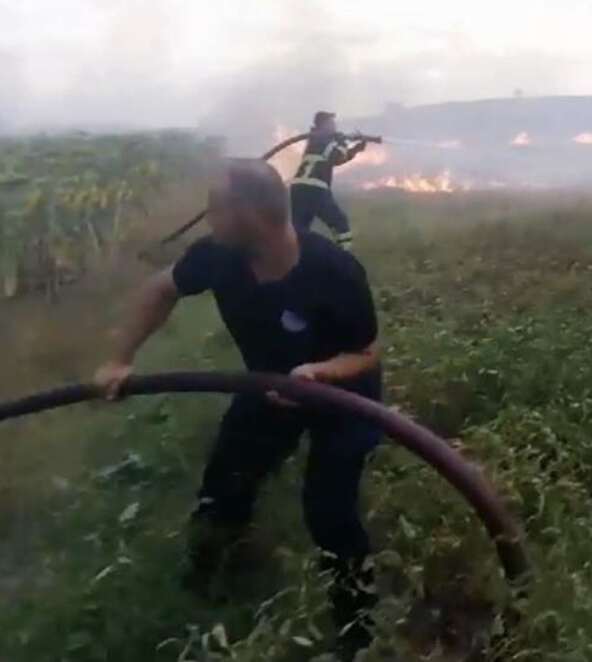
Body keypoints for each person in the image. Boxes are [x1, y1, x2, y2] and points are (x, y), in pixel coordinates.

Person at [94, 158, 381, 660]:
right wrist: (120, 359)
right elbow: (160, 289)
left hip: (344, 400)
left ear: (249, 214)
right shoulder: (218, 256)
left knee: (329, 513)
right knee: (222, 489)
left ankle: (357, 628)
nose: (206, 216)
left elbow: (366, 353)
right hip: (265, 391)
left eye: (214, 207)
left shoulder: (333, 270)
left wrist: (315, 375)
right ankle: (208, 581)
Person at [290, 111, 370, 249]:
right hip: (314, 187)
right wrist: (342, 140)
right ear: (323, 125)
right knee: (340, 223)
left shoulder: (317, 139)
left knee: (299, 229)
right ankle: (343, 259)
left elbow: (337, 159)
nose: (334, 126)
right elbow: (336, 154)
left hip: (298, 188)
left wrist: (355, 149)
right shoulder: (323, 138)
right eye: (331, 123)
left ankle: (296, 261)